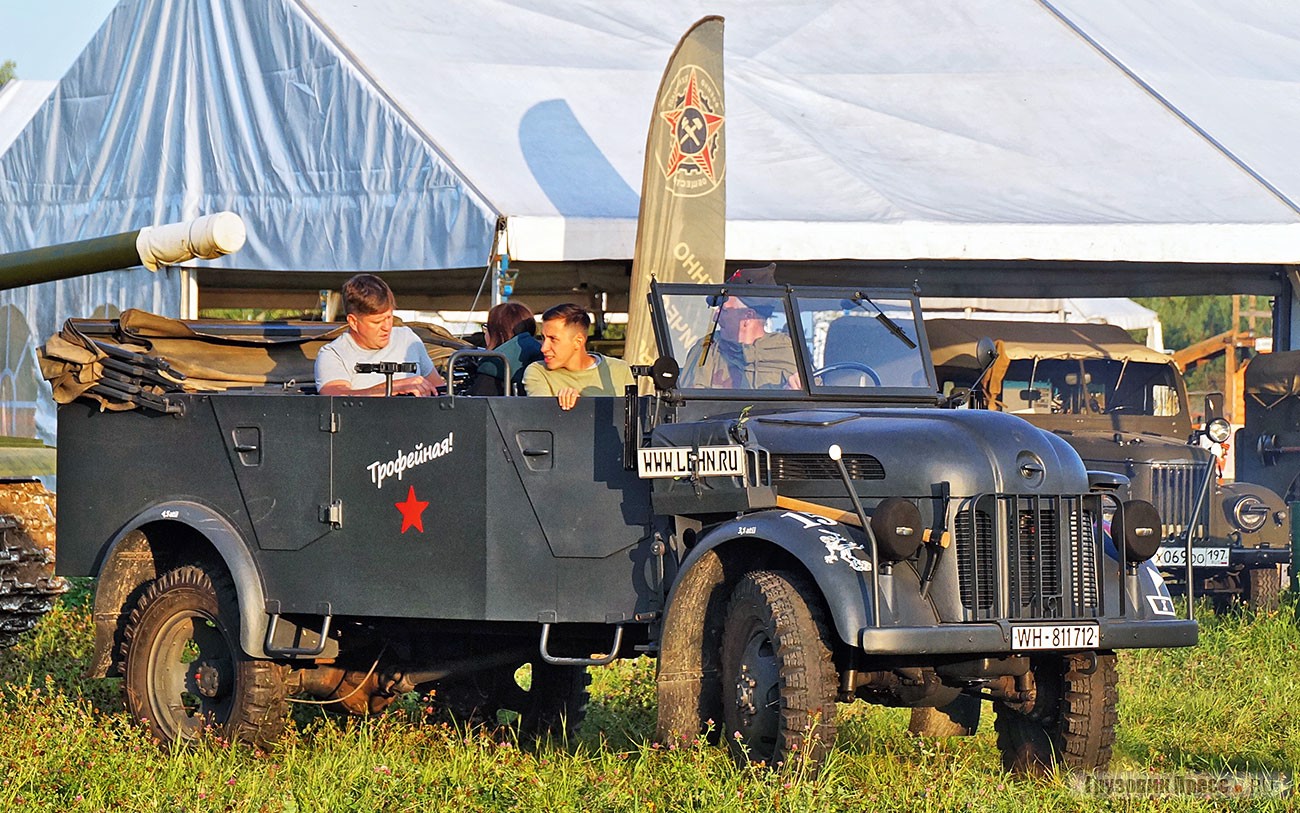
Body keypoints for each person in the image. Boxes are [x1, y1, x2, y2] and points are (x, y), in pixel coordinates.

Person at [314, 274, 446, 396]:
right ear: (353, 322)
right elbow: (337, 397)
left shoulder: (408, 339)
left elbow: (439, 389)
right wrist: (393, 388)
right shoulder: (333, 354)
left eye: (389, 317)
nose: (387, 327)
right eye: (376, 322)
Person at [524, 303, 635, 409]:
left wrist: (581, 405)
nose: (543, 348)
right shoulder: (538, 371)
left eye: (553, 339)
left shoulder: (619, 370)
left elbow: (633, 419)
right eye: (543, 338)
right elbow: (541, 416)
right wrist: (559, 406)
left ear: (578, 341)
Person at [678, 295, 800, 389]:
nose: (715, 317)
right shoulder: (707, 349)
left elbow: (812, 403)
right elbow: (689, 406)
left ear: (748, 316)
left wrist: (794, 393)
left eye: (724, 311)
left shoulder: (788, 351)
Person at [469, 302, 543, 396]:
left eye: (487, 328)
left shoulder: (493, 364)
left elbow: (476, 405)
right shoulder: (544, 357)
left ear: (499, 333)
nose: (485, 334)